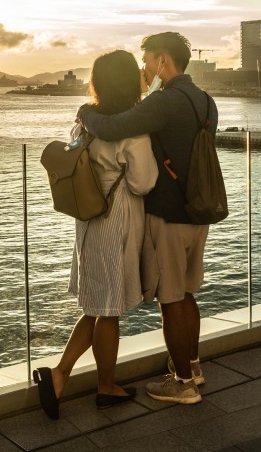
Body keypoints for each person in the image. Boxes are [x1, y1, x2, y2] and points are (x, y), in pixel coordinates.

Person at [77, 32, 215, 405]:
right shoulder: (205, 101)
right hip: (199, 211)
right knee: (187, 294)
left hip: (168, 215)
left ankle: (182, 382)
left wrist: (86, 111)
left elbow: (110, 128)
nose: (145, 68)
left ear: (163, 61)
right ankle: (194, 366)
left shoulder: (164, 102)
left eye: (148, 60)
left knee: (170, 300)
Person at [33, 50, 158, 420]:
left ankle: (89, 381)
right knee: (106, 309)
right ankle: (68, 376)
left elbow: (75, 156)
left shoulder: (85, 121)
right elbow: (143, 181)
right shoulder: (131, 129)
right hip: (116, 220)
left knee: (100, 307)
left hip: (87, 218)